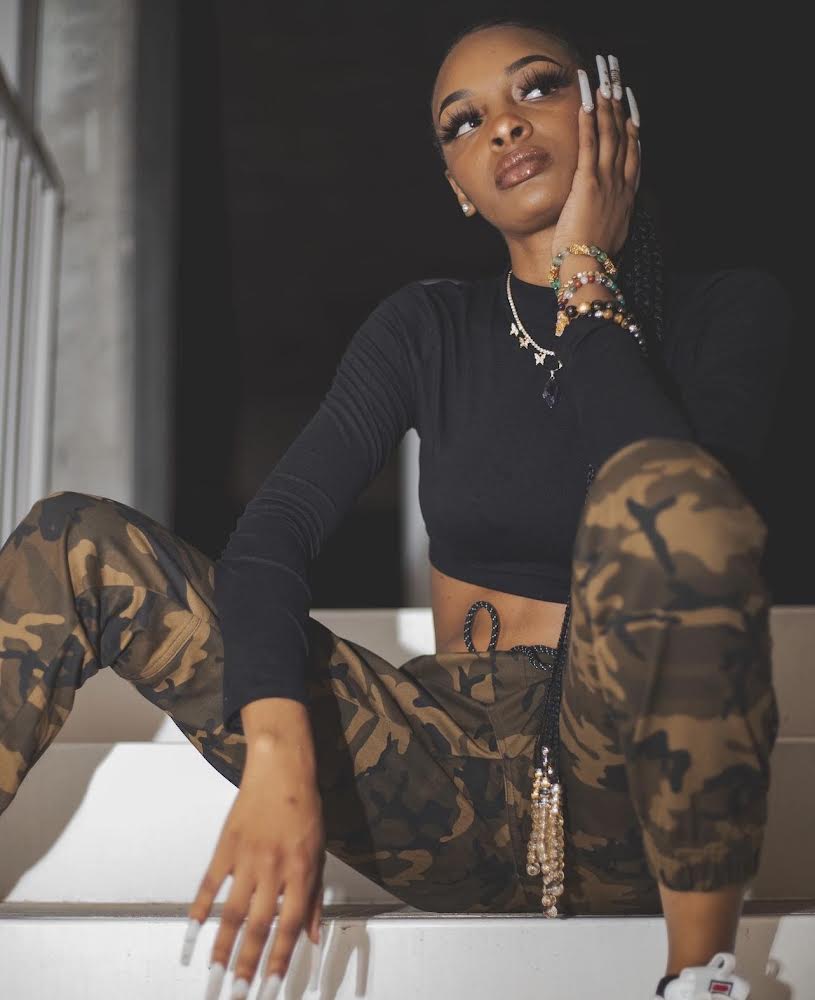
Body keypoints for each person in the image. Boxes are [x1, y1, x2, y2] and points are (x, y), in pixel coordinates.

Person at [0, 17, 789, 1000]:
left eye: (535, 88)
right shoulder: (427, 328)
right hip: (440, 777)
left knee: (672, 495)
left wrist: (583, 275)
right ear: (457, 184)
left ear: (607, 113)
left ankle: (697, 973)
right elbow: (272, 539)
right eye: (464, 122)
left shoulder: (727, 312)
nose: (502, 127)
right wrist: (277, 752)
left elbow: (685, 517)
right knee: (73, 539)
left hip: (634, 782)